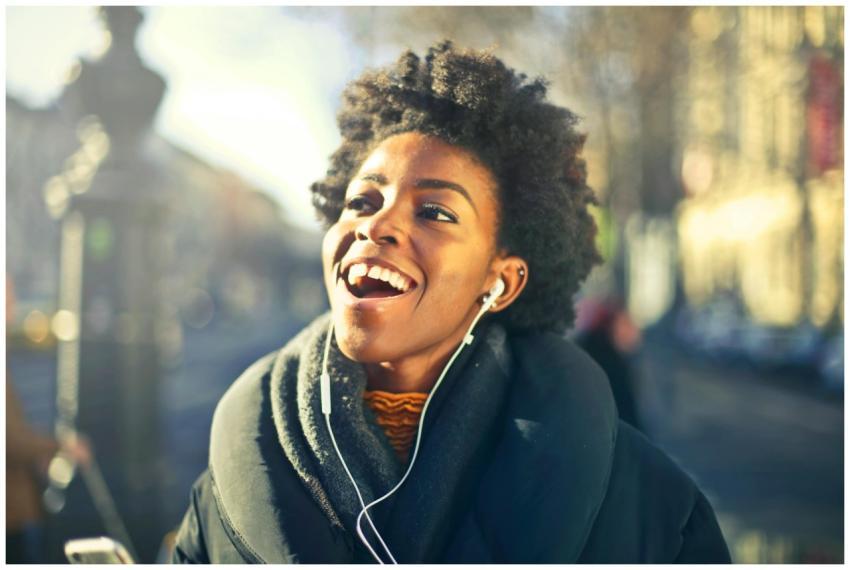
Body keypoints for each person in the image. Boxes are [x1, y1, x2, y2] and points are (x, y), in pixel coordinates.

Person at [171, 41, 730, 563]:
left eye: (435, 211)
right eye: (363, 199)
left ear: (502, 281)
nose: (377, 225)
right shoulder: (219, 495)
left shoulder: (657, 513)